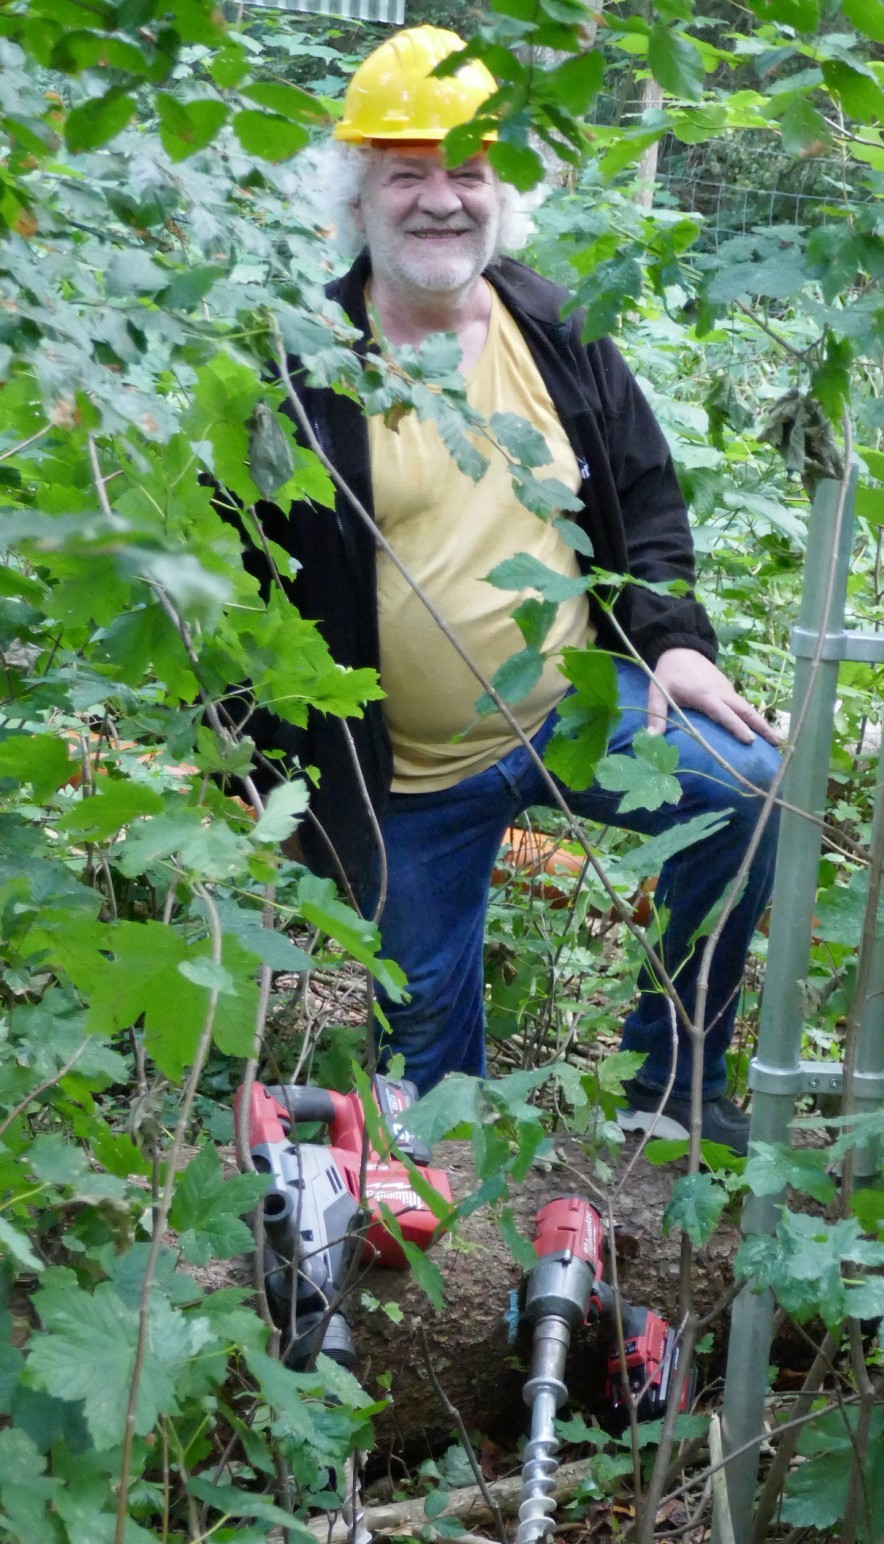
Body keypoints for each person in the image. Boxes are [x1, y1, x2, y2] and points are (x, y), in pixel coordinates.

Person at [250, 26, 781, 1154]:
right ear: (356, 200)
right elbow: (248, 584)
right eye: (409, 173)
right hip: (405, 786)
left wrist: (676, 643)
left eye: (468, 171)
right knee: (433, 1113)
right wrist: (264, 774)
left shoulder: (558, 331)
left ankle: (673, 1078)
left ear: (504, 192)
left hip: (577, 714)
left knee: (742, 783)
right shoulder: (298, 371)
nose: (442, 200)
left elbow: (642, 507)